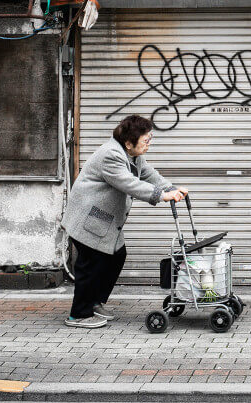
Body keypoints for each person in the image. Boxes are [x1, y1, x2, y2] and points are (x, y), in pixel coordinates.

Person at [61, 114, 186, 328]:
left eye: (150, 138)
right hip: (87, 219)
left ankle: (95, 302)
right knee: (90, 265)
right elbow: (129, 183)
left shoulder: (132, 154)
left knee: (116, 256)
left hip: (103, 220)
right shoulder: (111, 155)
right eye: (145, 140)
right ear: (129, 143)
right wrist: (160, 195)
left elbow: (148, 174)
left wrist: (170, 188)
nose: (148, 144)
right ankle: (78, 314)